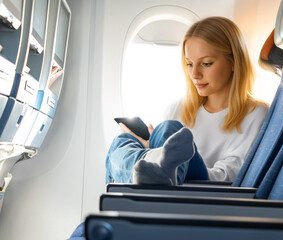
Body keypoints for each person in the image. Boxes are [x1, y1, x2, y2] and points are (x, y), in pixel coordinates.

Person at [68, 16, 268, 239]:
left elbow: (227, 178)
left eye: (206, 63)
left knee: (170, 130)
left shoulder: (255, 114)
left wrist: (175, 163)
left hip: (199, 197)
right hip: (159, 194)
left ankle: (161, 167)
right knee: (123, 142)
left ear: (234, 62)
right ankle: (157, 165)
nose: (195, 75)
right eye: (190, 64)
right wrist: (150, 149)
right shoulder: (179, 107)